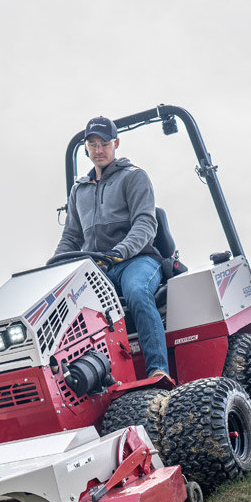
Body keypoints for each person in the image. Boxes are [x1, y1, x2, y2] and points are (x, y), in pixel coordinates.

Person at [53, 115, 170, 380]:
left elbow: (145, 223)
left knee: (137, 291)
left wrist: (119, 252)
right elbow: (70, 237)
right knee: (65, 309)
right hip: (98, 269)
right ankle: (91, 380)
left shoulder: (134, 177)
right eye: (93, 144)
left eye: (104, 143)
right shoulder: (78, 191)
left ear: (115, 143)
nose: (98, 150)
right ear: (86, 148)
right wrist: (54, 267)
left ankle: (158, 370)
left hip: (136, 260)